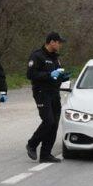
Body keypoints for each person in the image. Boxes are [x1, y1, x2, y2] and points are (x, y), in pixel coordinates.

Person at [26, 32, 70, 163]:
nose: (60, 45)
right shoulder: (37, 56)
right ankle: (32, 144)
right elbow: (30, 74)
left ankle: (45, 154)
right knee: (48, 121)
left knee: (54, 124)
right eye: (59, 42)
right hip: (41, 92)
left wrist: (63, 76)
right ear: (51, 42)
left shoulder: (56, 58)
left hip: (54, 92)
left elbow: (57, 74)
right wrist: (49, 75)